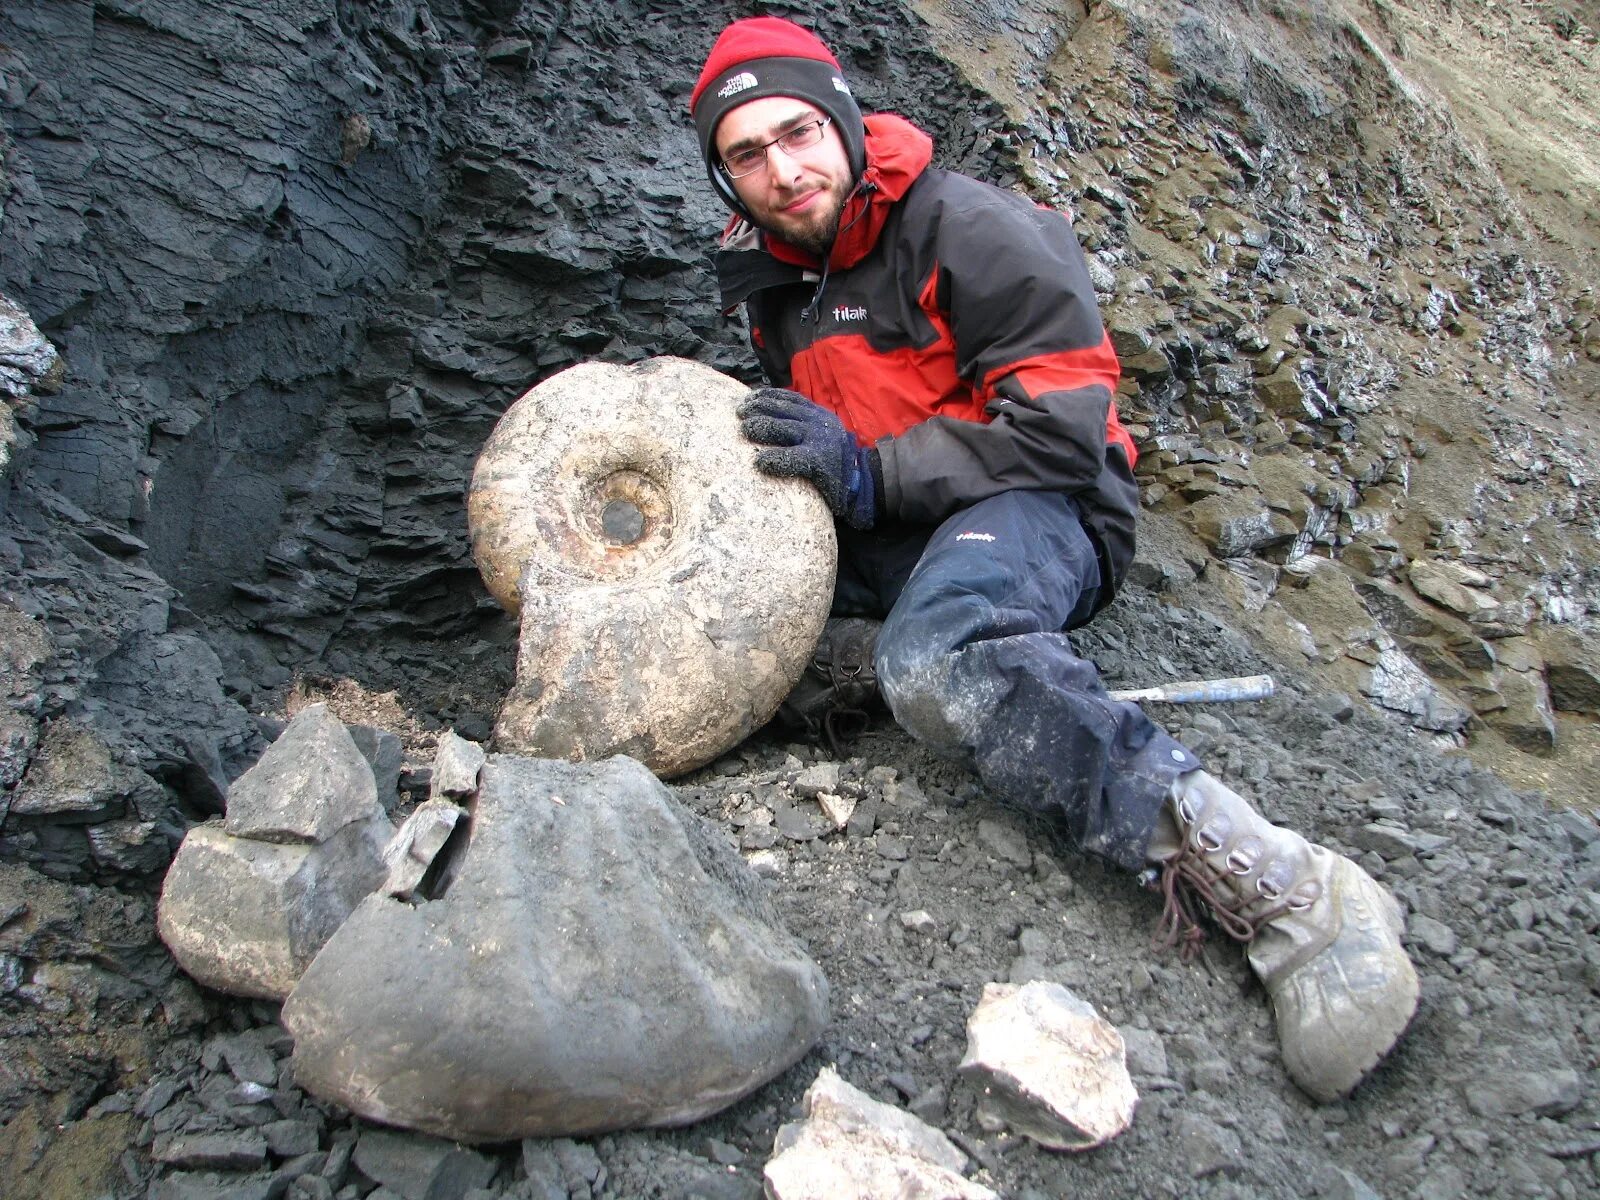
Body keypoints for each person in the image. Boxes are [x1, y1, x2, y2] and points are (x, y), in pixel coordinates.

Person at [688, 16, 1417, 1103]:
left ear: (839, 115)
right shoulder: (775, 282)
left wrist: (868, 476)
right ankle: (903, 665)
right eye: (745, 154)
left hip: (1042, 503)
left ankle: (1289, 890)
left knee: (937, 657)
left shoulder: (969, 229)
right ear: (722, 175)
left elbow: (1061, 431)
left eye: (797, 132)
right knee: (747, 637)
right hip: (890, 526)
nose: (782, 171)